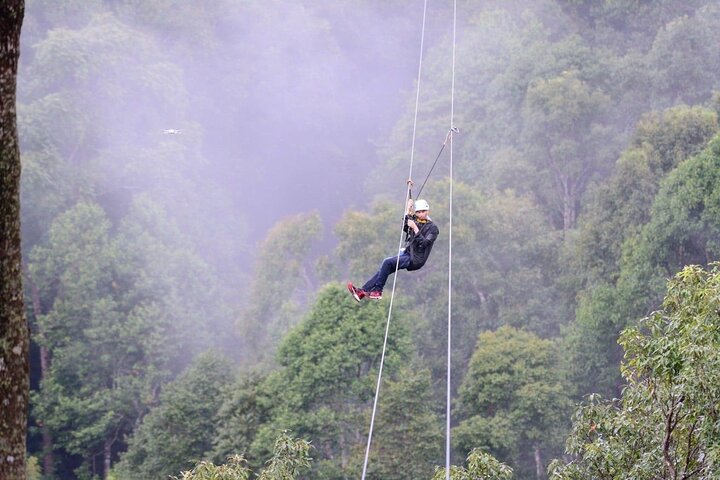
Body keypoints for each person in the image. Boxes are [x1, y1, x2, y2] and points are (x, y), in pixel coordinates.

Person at [348, 197, 439, 301]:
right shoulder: (416, 221)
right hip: (408, 253)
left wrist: (415, 228)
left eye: (424, 211)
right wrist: (408, 210)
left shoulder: (433, 228)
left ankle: (378, 291)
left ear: (428, 211)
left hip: (416, 259)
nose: (422, 214)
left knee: (387, 262)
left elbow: (424, 243)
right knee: (384, 270)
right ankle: (362, 292)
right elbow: (405, 227)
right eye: (419, 212)